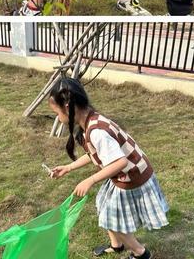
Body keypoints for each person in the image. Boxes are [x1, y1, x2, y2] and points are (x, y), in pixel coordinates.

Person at [49, 78, 169, 259]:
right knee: (103, 205)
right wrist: (68, 167)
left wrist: (91, 180)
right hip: (123, 174)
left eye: (56, 112)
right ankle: (117, 245)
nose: (58, 118)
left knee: (111, 220)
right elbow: (94, 153)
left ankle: (140, 253)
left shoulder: (97, 131)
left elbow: (119, 162)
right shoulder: (91, 120)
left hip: (131, 176)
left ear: (67, 106)